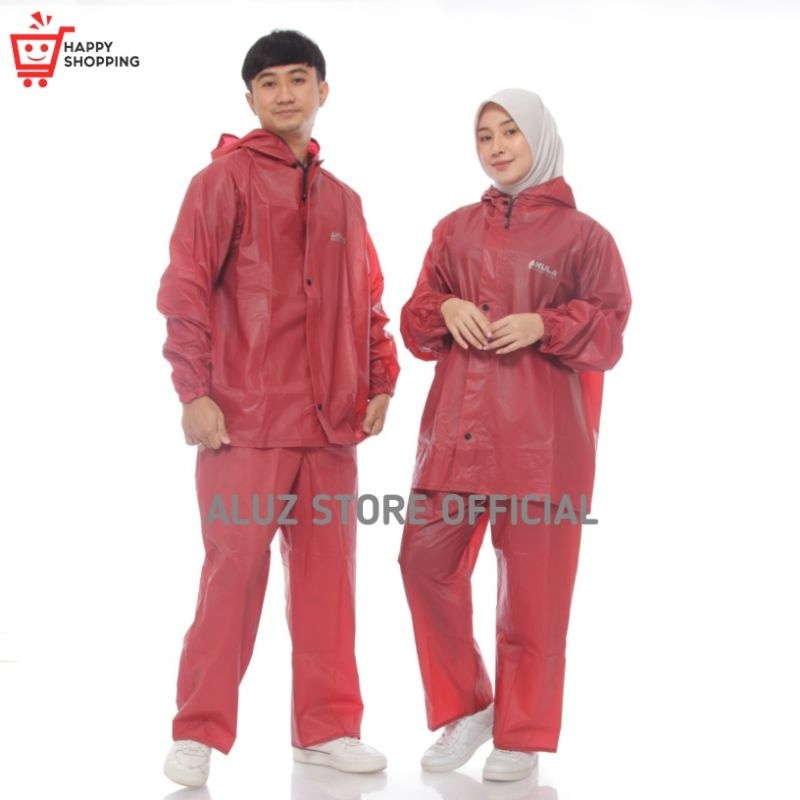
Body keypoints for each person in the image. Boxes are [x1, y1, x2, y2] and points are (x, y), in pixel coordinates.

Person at [156, 29, 400, 788]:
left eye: (299, 79)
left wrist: (380, 380)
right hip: (245, 422)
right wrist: (194, 391)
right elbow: (186, 288)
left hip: (330, 428)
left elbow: (367, 302)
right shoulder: (221, 182)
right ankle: (197, 731)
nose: (285, 93)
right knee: (232, 577)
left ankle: (327, 730)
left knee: (330, 583)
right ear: (251, 98)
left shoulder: (344, 200)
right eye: (269, 83)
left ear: (323, 91)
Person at [398, 89, 632, 782]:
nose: (497, 147)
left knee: (534, 594)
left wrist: (544, 324)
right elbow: (416, 323)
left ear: (539, 137)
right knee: (422, 564)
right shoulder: (454, 230)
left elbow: (610, 330)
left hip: (541, 445)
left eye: (510, 132)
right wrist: (446, 306)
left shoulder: (585, 237)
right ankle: (470, 707)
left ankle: (521, 732)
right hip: (456, 435)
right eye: (485, 136)